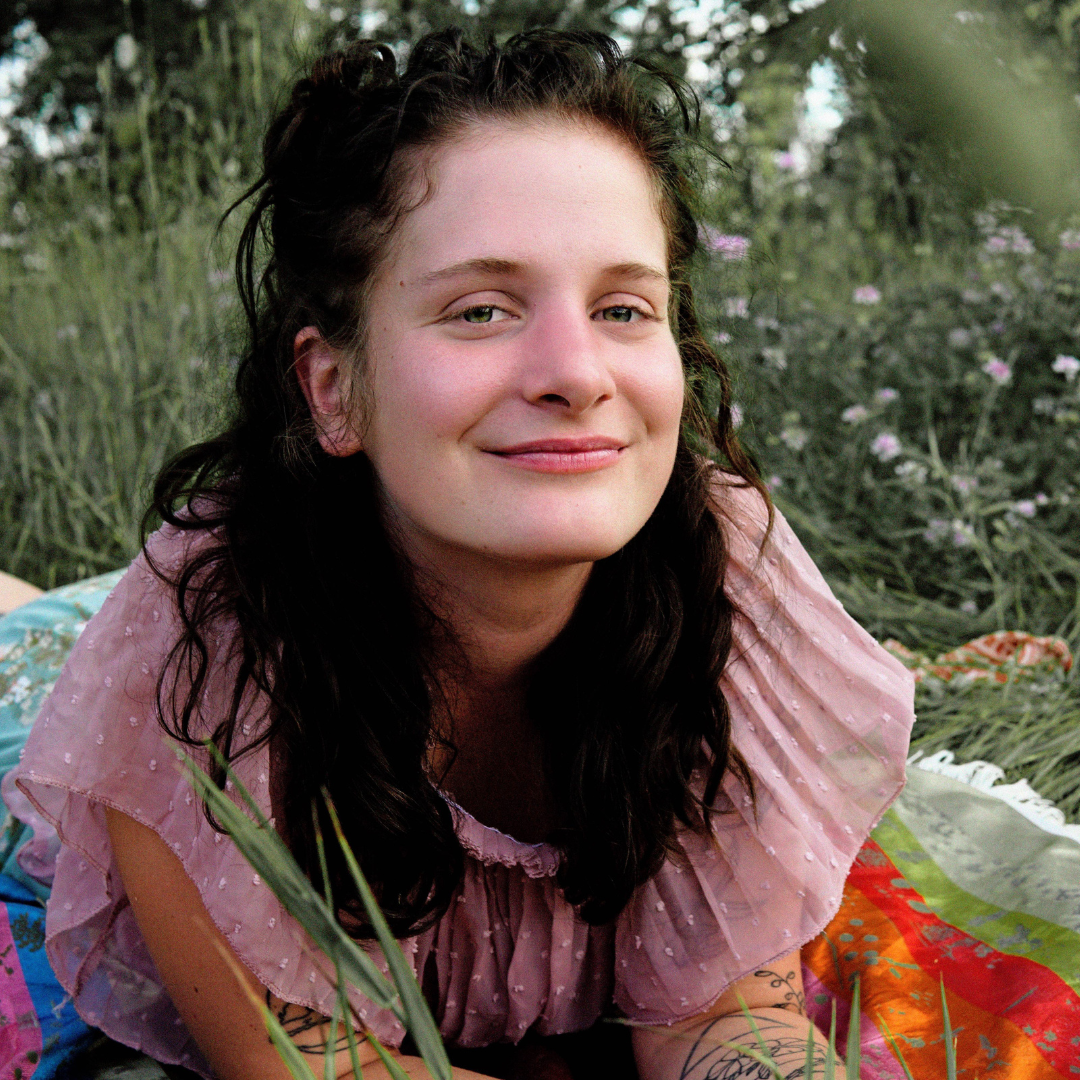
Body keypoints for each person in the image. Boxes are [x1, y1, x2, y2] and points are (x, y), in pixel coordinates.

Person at [10, 28, 915, 1080]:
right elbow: (332, 1071)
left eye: (624, 307)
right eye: (481, 310)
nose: (576, 374)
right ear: (333, 388)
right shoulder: (200, 660)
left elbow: (720, 1020)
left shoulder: (723, 583)